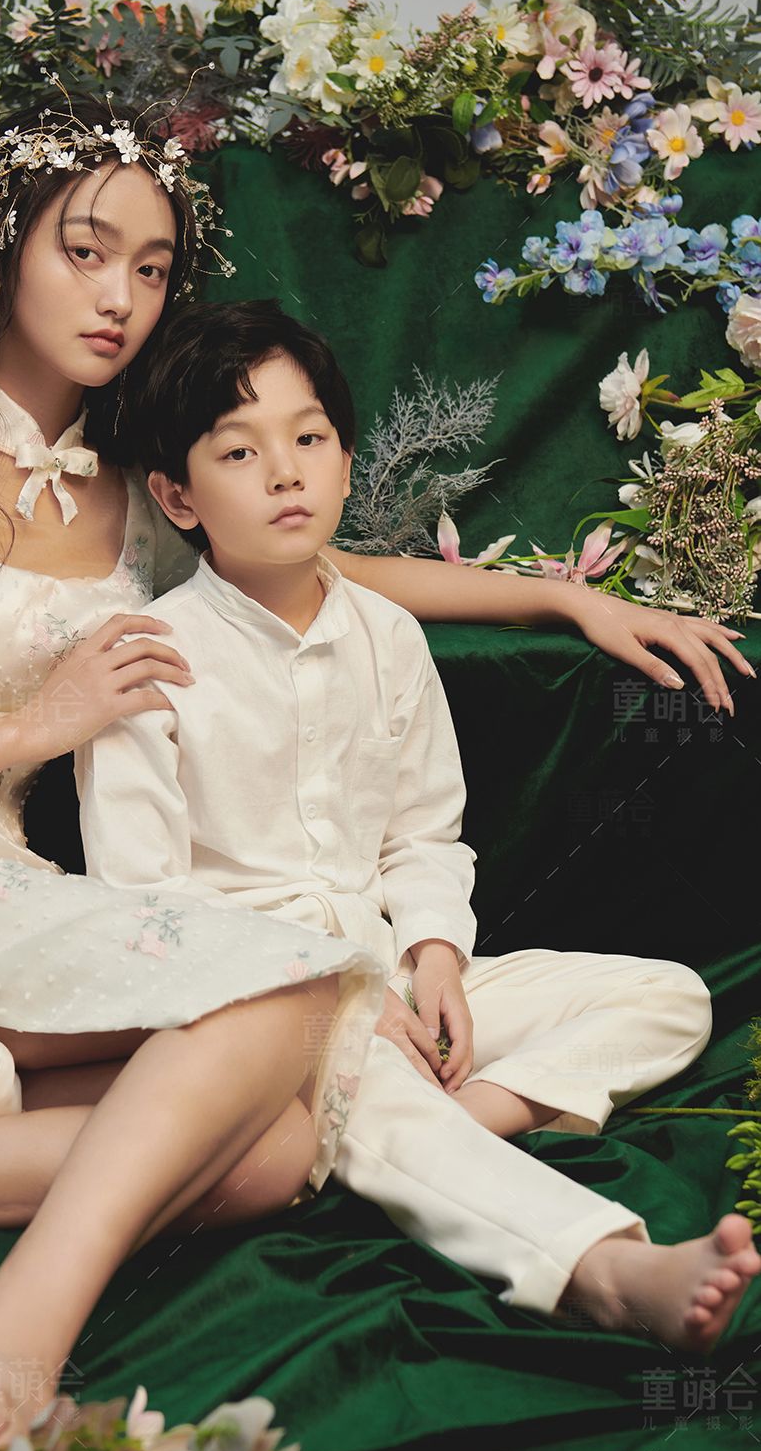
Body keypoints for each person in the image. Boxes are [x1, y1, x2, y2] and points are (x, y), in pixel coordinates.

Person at [0, 88, 752, 1451]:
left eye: (149, 269)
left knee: (270, 1149)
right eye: (83, 251)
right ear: (1, 248)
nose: (118, 297)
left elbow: (325, 565)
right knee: (295, 988)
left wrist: (563, 600)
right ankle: (6, 1336)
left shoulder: (132, 497)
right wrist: (32, 729)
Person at [75, 298, 761, 1356]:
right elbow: (145, 908)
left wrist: (435, 954)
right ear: (177, 496)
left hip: (397, 972)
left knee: (668, 996)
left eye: (309, 439)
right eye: (239, 451)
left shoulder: (389, 636)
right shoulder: (149, 659)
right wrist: (343, 989)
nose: (286, 473)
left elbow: (422, 837)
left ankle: (455, 1127)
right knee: (366, 1077)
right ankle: (608, 1270)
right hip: (263, 1007)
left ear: (347, 462)